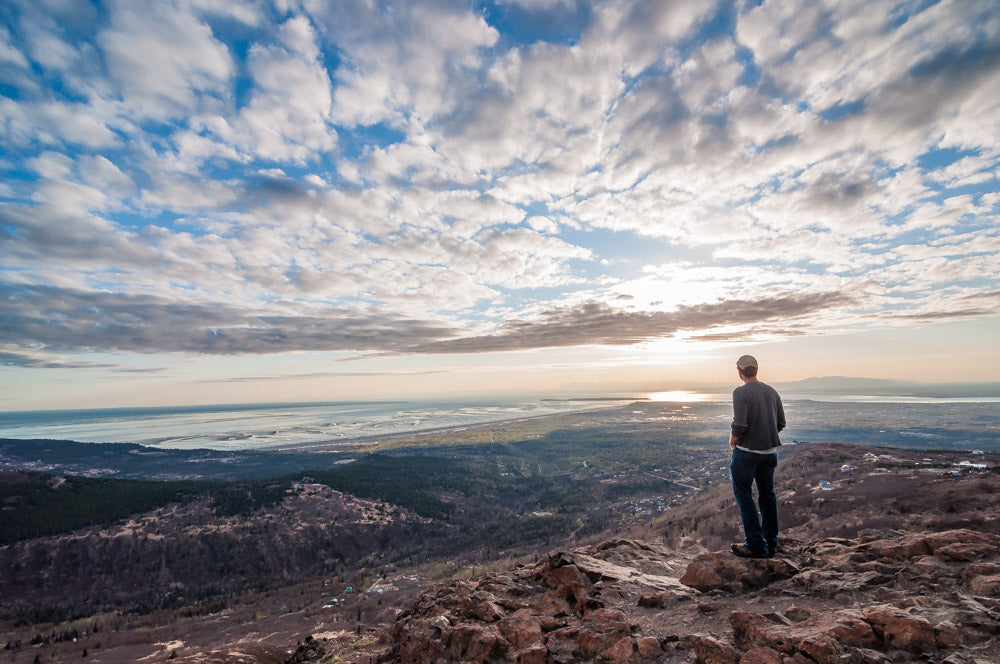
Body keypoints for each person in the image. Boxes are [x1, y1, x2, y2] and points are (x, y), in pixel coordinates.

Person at [728, 355, 785, 558]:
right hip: (769, 453)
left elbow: (740, 424)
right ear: (757, 370)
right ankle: (771, 542)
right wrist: (765, 435)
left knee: (744, 495)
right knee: (767, 496)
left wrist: (733, 440)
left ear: (740, 372)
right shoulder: (771, 391)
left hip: (747, 453)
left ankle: (755, 544)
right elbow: (781, 423)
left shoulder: (741, 393)